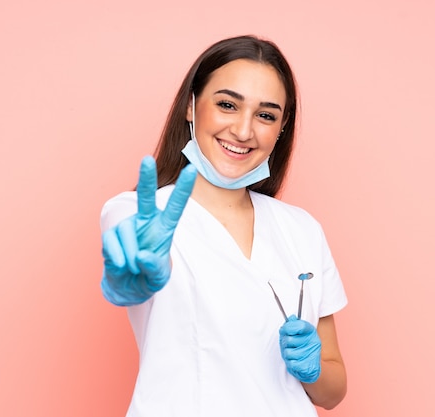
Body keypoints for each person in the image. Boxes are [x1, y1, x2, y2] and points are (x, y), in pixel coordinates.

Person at [100, 35, 348, 417]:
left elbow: (332, 392)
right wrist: (130, 280)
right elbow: (130, 255)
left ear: (281, 128)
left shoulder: (302, 230)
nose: (244, 130)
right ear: (191, 106)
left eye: (266, 115)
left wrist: (312, 370)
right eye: (227, 105)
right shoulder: (137, 214)